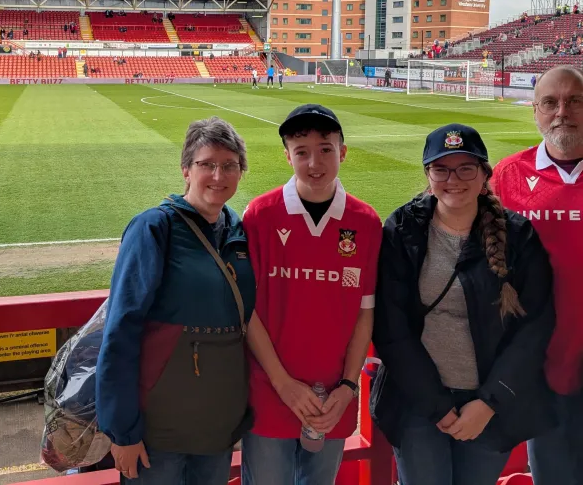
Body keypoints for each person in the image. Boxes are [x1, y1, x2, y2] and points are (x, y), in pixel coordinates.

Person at [373, 124, 555, 485]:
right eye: (441, 169)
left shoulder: (517, 236)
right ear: (428, 175)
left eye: (465, 168)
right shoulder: (403, 228)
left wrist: (489, 402)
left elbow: (535, 327)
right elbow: (391, 327)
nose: (452, 179)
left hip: (489, 408)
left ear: (485, 173)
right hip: (418, 406)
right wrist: (437, 406)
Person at [97, 117, 256, 484]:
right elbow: (121, 329)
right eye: (207, 164)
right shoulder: (154, 228)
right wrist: (122, 430)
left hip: (217, 426)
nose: (219, 175)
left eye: (230, 165)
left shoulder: (238, 232)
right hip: (159, 430)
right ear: (186, 170)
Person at [242, 105, 382, 485]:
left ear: (343, 152)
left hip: (332, 399)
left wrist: (349, 387)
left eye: (325, 149)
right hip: (271, 391)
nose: (314, 163)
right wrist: (283, 383)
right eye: (301, 152)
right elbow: (247, 310)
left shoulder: (365, 222)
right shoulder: (260, 215)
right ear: (287, 155)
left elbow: (364, 313)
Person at [492, 66, 583, 484]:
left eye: (575, 101)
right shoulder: (508, 176)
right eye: (551, 102)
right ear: (535, 112)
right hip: (540, 363)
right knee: (553, 473)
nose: (562, 111)